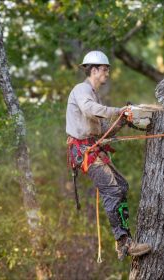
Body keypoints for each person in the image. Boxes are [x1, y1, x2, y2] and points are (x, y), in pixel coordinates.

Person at [66, 50, 151, 260]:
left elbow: (104, 129)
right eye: (105, 69)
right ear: (93, 70)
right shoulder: (82, 90)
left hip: (93, 149)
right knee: (112, 190)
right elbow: (88, 110)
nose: (107, 74)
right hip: (84, 151)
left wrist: (123, 119)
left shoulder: (94, 95)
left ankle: (124, 241)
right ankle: (125, 243)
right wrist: (117, 110)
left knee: (121, 186)